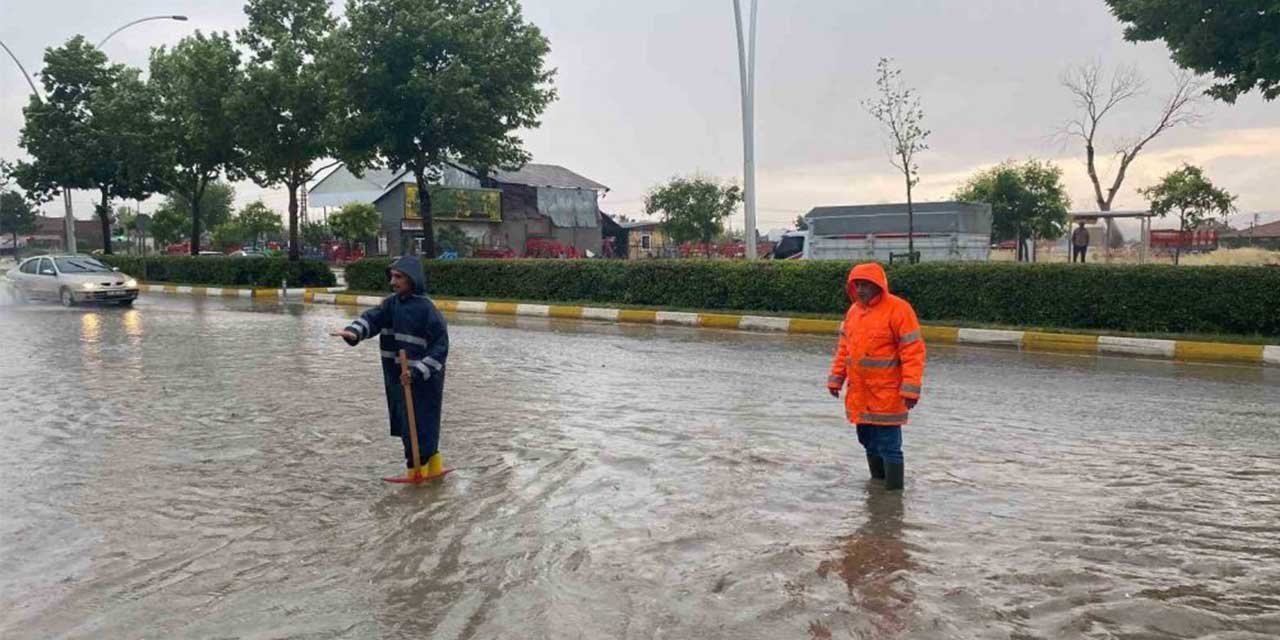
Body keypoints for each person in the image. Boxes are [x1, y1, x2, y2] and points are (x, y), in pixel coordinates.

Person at [333, 256, 449, 480]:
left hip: (422, 381)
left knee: (421, 423)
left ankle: (417, 473)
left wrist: (416, 372)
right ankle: (433, 469)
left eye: (398, 277)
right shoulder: (391, 304)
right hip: (398, 377)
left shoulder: (427, 310)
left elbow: (440, 348)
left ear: (411, 279)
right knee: (409, 423)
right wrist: (353, 332)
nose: (393, 282)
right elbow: (372, 319)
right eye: (392, 277)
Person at [827, 263, 926, 491]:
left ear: (878, 286)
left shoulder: (899, 310)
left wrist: (911, 388)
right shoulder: (853, 312)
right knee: (868, 442)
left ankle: (893, 496)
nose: (861, 290)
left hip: (888, 393)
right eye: (857, 285)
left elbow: (913, 352)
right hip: (860, 393)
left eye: (866, 285)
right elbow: (844, 349)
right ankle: (878, 491)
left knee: (890, 445)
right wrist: (836, 378)